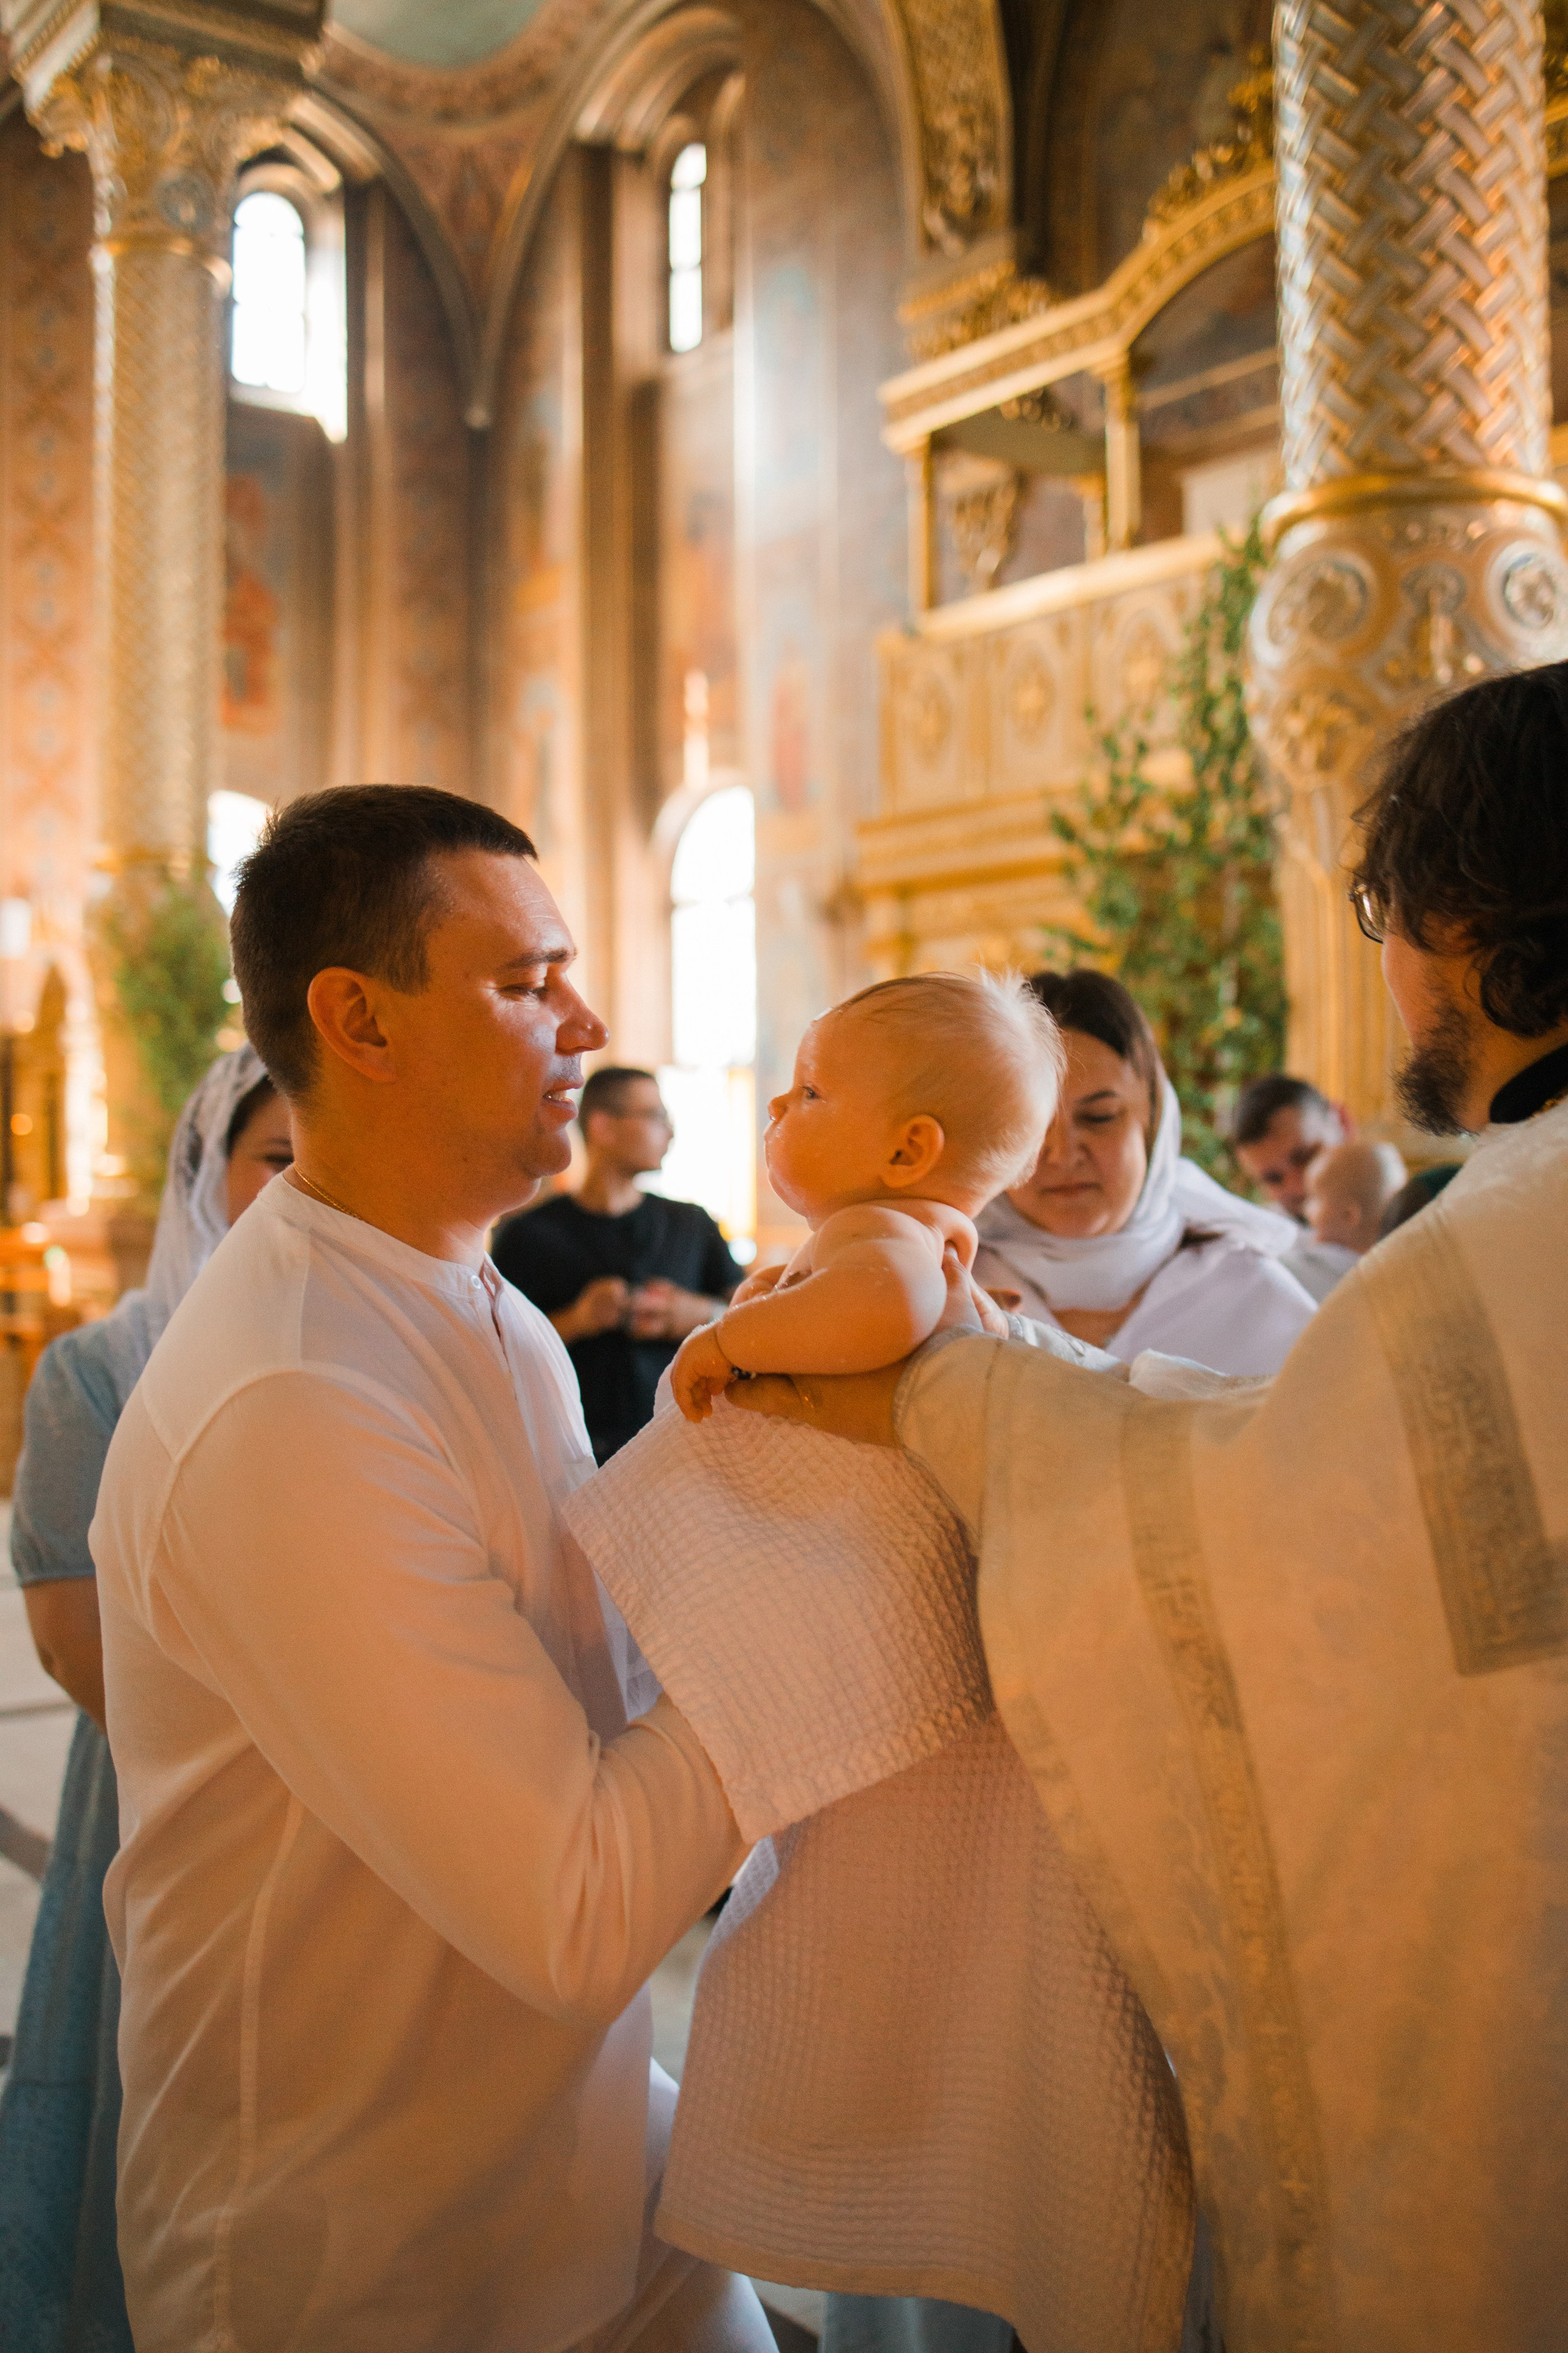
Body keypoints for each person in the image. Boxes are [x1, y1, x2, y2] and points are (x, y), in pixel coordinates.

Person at [728, 658, 1568, 2351]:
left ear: (1479, 919)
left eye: (1392, 920)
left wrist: (940, 1383)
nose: (1387, 976)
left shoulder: (1509, 1246)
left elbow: (1249, 1548)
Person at [89, 787, 775, 2353]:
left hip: (581, 2157)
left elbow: (595, 1693)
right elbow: (582, 1904)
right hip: (363, 2243)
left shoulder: (484, 1304)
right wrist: (830, 1565)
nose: (587, 1022)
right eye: (528, 982)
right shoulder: (293, 1396)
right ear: (359, 1021)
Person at [0, 1048, 292, 2353]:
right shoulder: (99, 1371)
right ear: (206, 1177)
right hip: (178, 1795)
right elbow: (76, 1648)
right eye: (277, 1161)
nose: (302, 1193)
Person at [671, 973, 1057, 1421]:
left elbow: (894, 1300)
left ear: (906, 1152)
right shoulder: (901, 1239)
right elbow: (857, 1290)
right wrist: (774, 1292)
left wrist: (731, 1339)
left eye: (810, 1091)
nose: (777, 1104)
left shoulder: (885, 1228)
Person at [971, 970, 1314, 1378]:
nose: (1063, 1154)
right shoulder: (949, 1295)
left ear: (1153, 1122)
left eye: (1100, 1118)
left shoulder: (1251, 1298)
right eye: (1031, 1125)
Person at [493, 1067, 744, 1462]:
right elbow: (492, 1351)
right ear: (603, 1127)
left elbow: (753, 1316)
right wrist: (578, 1318)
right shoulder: (528, 1234)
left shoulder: (692, 1224)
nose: (671, 1133)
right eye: (655, 1117)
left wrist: (697, 1313)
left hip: (685, 1447)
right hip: (566, 1452)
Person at [1287, 1138, 1408, 1300]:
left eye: (1314, 1199)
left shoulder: (1320, 1265)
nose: (1305, 1209)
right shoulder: (1396, 1272)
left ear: (1349, 1216)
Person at [1229, 1073, 1351, 1220]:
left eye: (1306, 1158)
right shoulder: (1261, 1236)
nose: (1299, 1188)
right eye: (1274, 1179)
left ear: (1343, 1123)